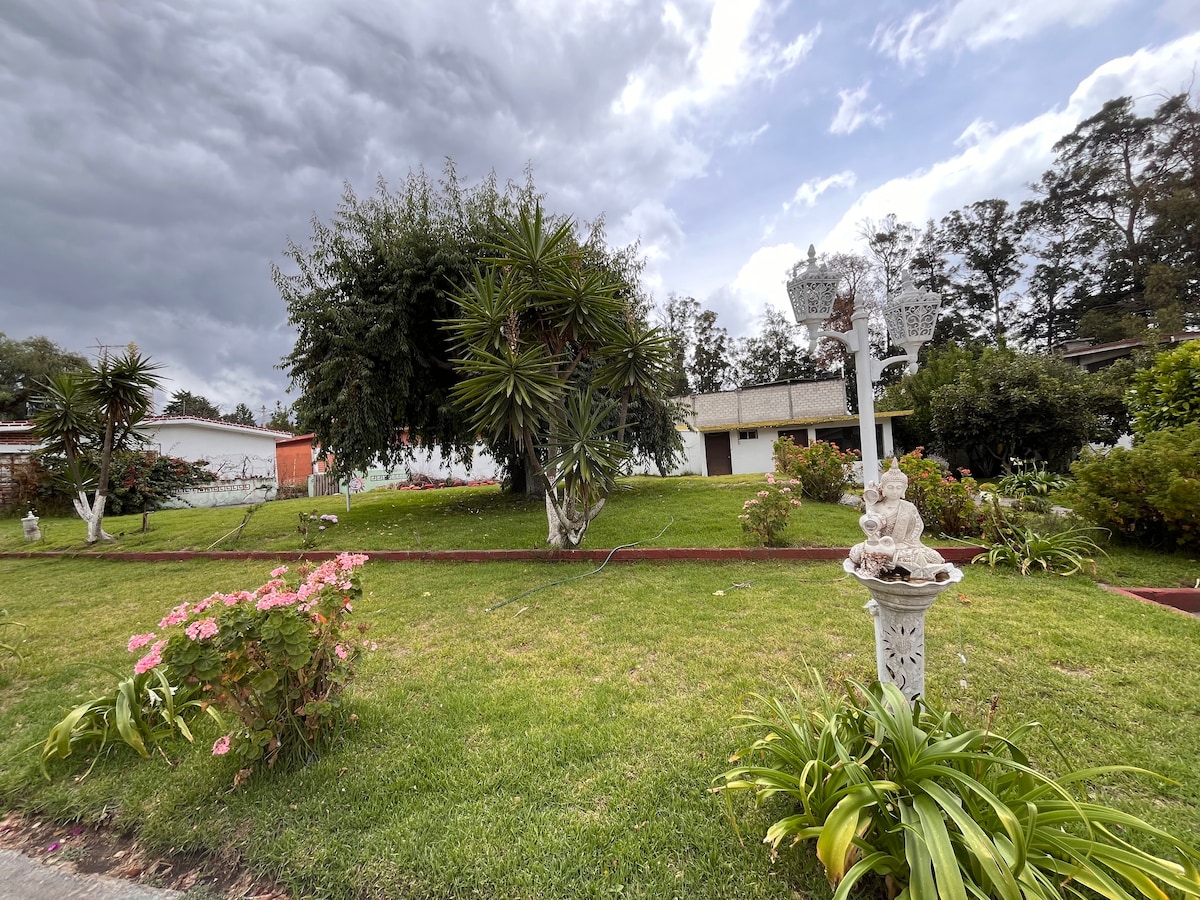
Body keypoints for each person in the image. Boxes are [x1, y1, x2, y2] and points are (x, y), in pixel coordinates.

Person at [850, 460, 948, 581]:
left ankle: (889, 563)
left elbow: (916, 530)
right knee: (856, 552)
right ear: (883, 488)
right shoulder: (877, 507)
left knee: (934, 557)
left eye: (898, 488)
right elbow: (873, 536)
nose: (895, 491)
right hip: (882, 548)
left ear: (904, 488)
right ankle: (889, 561)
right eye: (890, 487)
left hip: (905, 549)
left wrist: (903, 545)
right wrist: (882, 547)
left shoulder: (909, 507)